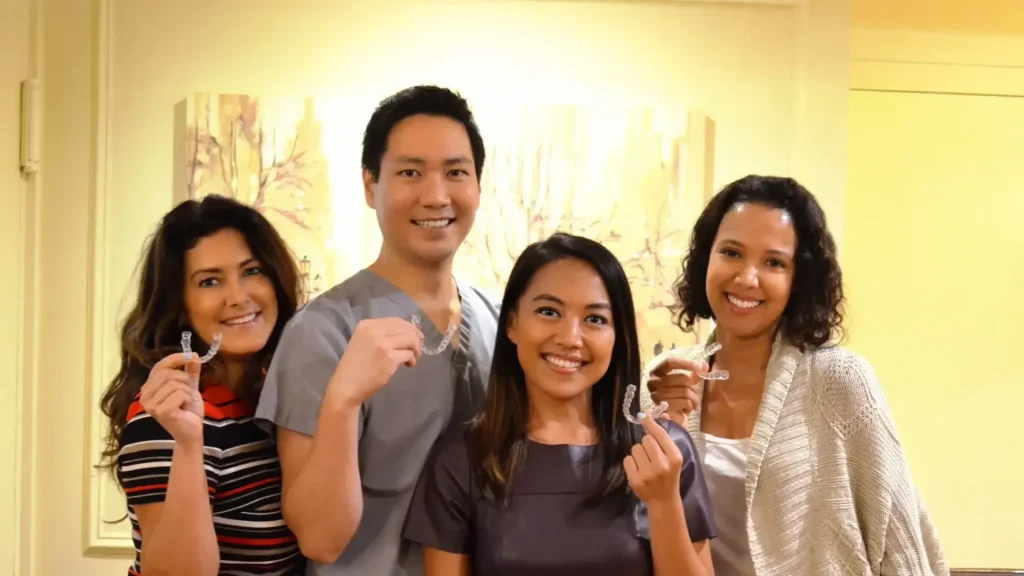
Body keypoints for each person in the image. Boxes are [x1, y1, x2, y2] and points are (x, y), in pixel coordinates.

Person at [254, 85, 500, 575]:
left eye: (456, 172)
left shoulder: (501, 320)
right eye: (410, 172)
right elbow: (319, 539)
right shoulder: (322, 332)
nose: (436, 195)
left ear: (477, 185)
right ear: (370, 185)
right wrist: (343, 401)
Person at [647, 175, 948, 575]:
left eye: (774, 262)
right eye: (731, 253)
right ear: (706, 258)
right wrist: (660, 419)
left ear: (798, 279)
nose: (747, 277)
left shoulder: (838, 378)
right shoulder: (665, 380)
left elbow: (896, 533)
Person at [403, 232, 717, 576]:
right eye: (549, 312)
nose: (570, 338)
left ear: (618, 336)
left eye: (595, 319)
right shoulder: (460, 461)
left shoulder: (664, 451)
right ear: (512, 323)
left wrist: (664, 503)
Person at [98, 195, 307, 575]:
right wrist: (189, 444)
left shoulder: (275, 396)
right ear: (180, 305)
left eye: (252, 271)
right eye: (210, 281)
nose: (238, 297)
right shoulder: (163, 416)